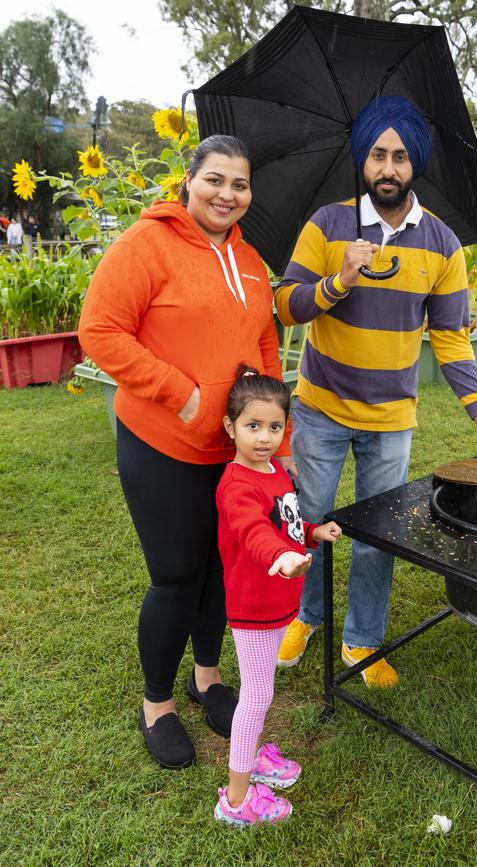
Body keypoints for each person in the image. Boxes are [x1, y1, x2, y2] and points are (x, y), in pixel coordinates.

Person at [274, 96, 477, 687]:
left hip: (391, 419)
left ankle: (361, 639)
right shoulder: (327, 224)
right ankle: (303, 615)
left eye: (401, 157)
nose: (388, 168)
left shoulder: (442, 245)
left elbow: (452, 338)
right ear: (364, 159)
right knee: (308, 517)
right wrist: (339, 281)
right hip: (320, 410)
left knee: (378, 533)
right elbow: (285, 306)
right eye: (379, 155)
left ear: (416, 166)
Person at [79, 135, 293, 770]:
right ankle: (157, 705)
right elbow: (100, 331)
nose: (228, 194)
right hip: (162, 443)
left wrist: (267, 424)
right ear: (188, 182)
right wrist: (184, 395)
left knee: (222, 570)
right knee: (177, 576)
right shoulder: (146, 245)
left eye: (241, 184)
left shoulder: (253, 261)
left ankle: (207, 679)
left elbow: (261, 342)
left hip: (231, 455)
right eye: (215, 180)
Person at [214, 366, 341, 825]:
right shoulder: (236, 484)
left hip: (279, 599)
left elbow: (282, 523)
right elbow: (254, 532)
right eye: (252, 426)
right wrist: (282, 557)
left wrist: (309, 533)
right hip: (255, 607)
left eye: (274, 426)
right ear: (231, 427)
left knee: (263, 688)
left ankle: (256, 755)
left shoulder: (272, 472)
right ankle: (235, 800)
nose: (264, 437)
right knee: (256, 695)